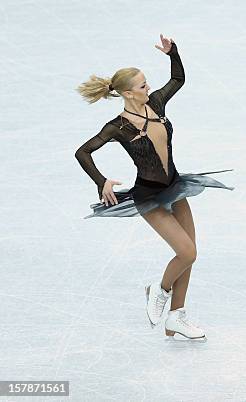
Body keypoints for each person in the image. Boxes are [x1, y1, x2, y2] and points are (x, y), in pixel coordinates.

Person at [75, 34, 233, 340]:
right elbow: (83, 151)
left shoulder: (157, 102)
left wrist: (173, 52)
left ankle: (176, 316)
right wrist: (101, 181)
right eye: (143, 85)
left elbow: (178, 78)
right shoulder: (118, 127)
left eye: (147, 82)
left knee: (190, 253)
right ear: (128, 94)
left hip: (176, 187)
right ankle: (158, 291)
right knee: (186, 253)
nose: (149, 87)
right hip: (150, 196)